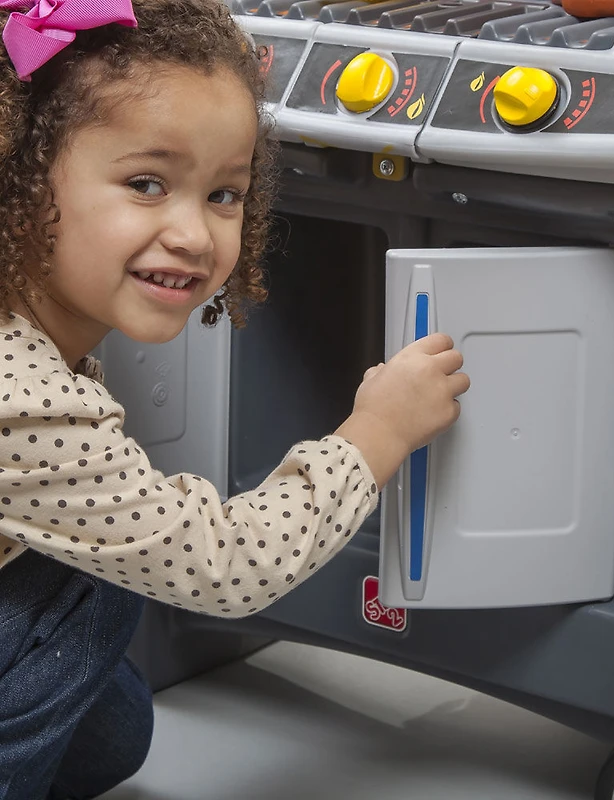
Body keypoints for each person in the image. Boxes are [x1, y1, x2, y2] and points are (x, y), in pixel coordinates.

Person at [0, 0, 470, 796]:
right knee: (96, 589)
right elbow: (222, 562)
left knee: (118, 724)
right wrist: (375, 434)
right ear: (19, 174)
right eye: (147, 184)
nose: (195, 233)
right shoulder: (27, 402)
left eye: (224, 194)